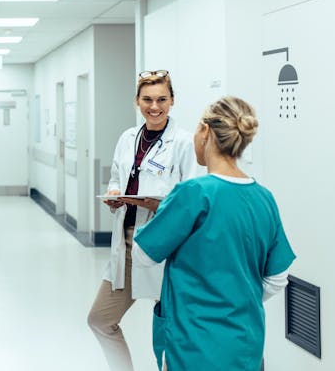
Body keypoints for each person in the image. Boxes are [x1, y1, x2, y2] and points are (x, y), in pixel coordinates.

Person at [133, 96, 295, 371]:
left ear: (205, 132)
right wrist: (236, 299)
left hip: (192, 343)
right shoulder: (263, 198)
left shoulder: (193, 193)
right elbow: (278, 278)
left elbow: (144, 254)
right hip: (246, 343)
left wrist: (164, 212)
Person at [87, 70, 203, 371]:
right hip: (127, 244)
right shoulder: (128, 138)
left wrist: (158, 206)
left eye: (162, 99)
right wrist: (114, 194)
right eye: (148, 99)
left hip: (166, 248)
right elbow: (117, 177)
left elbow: (193, 198)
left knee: (171, 327)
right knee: (100, 319)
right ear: (137, 101)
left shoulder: (184, 142)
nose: (155, 106)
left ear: (172, 101)